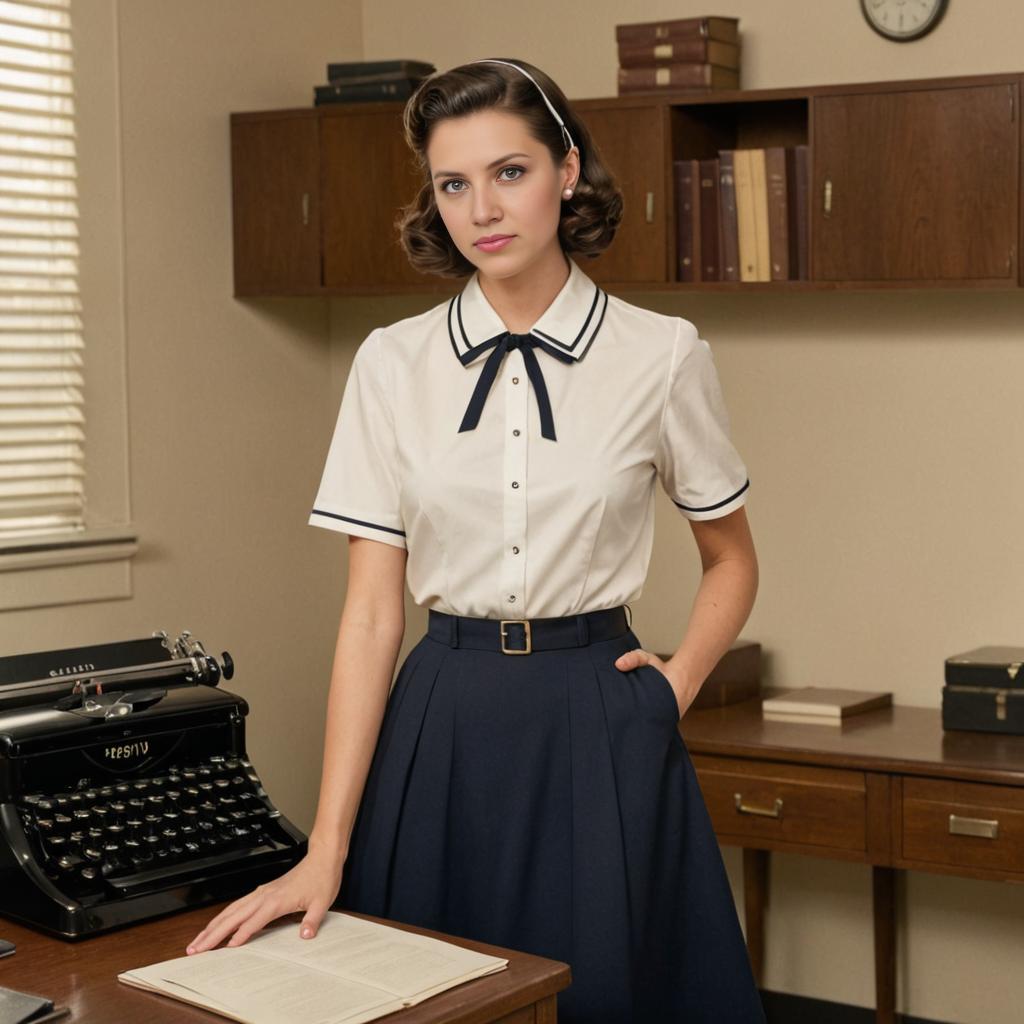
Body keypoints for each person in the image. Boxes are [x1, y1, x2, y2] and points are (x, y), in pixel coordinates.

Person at [186, 57, 764, 1023]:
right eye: (454, 184)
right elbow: (372, 615)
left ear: (567, 171)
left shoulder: (662, 353)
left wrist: (675, 687)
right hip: (440, 718)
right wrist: (326, 846)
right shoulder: (391, 363)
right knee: (433, 1000)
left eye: (510, 172)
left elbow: (732, 558)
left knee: (604, 997)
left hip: (600, 718)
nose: (482, 209)